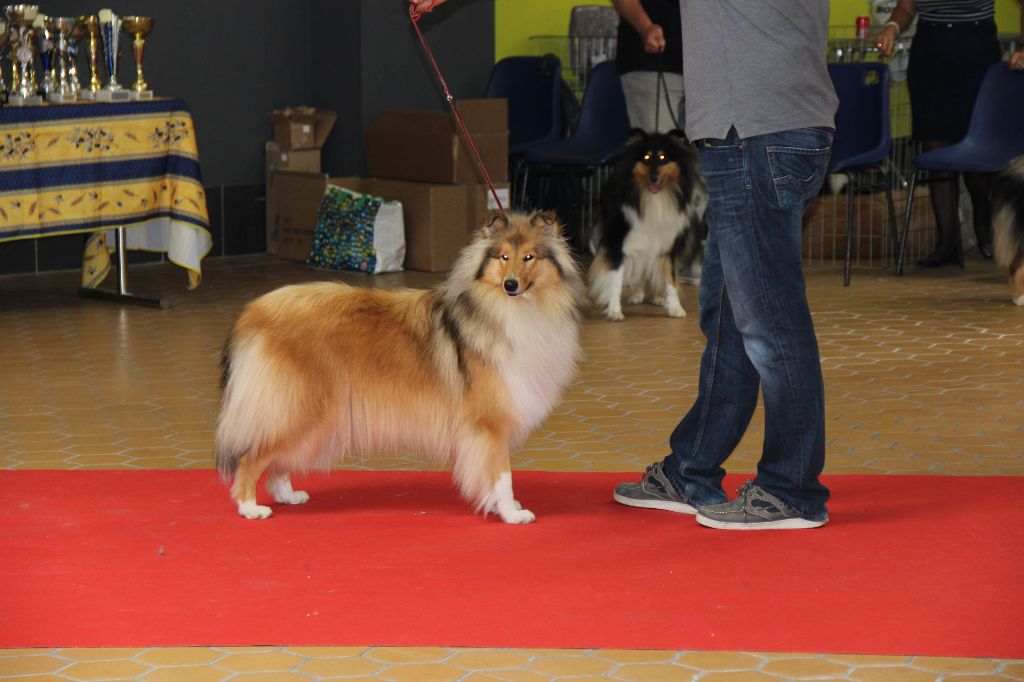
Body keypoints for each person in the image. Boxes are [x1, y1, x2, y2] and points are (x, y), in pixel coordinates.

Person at [414, 0, 837, 529]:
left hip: (757, 132)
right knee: (731, 321)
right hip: (753, 131)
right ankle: (692, 469)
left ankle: (791, 488)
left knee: (771, 324)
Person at [876, 0, 1024, 267]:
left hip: (977, 52)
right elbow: (906, 8)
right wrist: (892, 27)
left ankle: (984, 225)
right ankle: (947, 244)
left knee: (980, 157)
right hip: (930, 56)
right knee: (936, 150)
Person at [611, 0, 684, 133]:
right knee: (658, 145)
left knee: (703, 149)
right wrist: (646, 27)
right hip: (652, 63)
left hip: (704, 69)